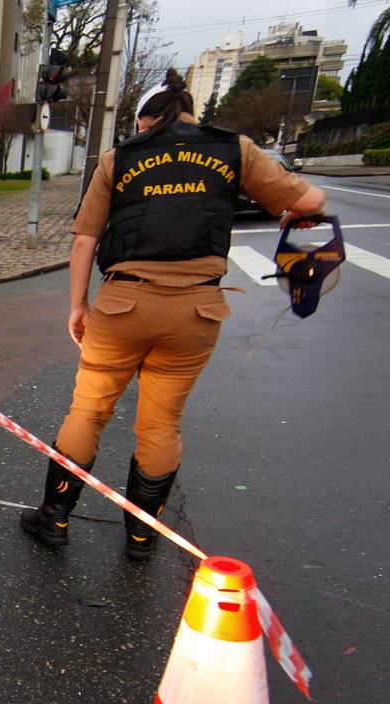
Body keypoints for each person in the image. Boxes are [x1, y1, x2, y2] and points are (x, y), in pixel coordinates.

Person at [19, 68, 326, 561]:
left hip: (124, 306)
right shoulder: (235, 149)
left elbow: (84, 239)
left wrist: (78, 305)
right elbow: (310, 200)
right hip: (196, 311)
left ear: (149, 120)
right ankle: (141, 537)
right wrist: (291, 214)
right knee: (161, 426)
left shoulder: (120, 158)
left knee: (89, 410)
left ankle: (53, 518)